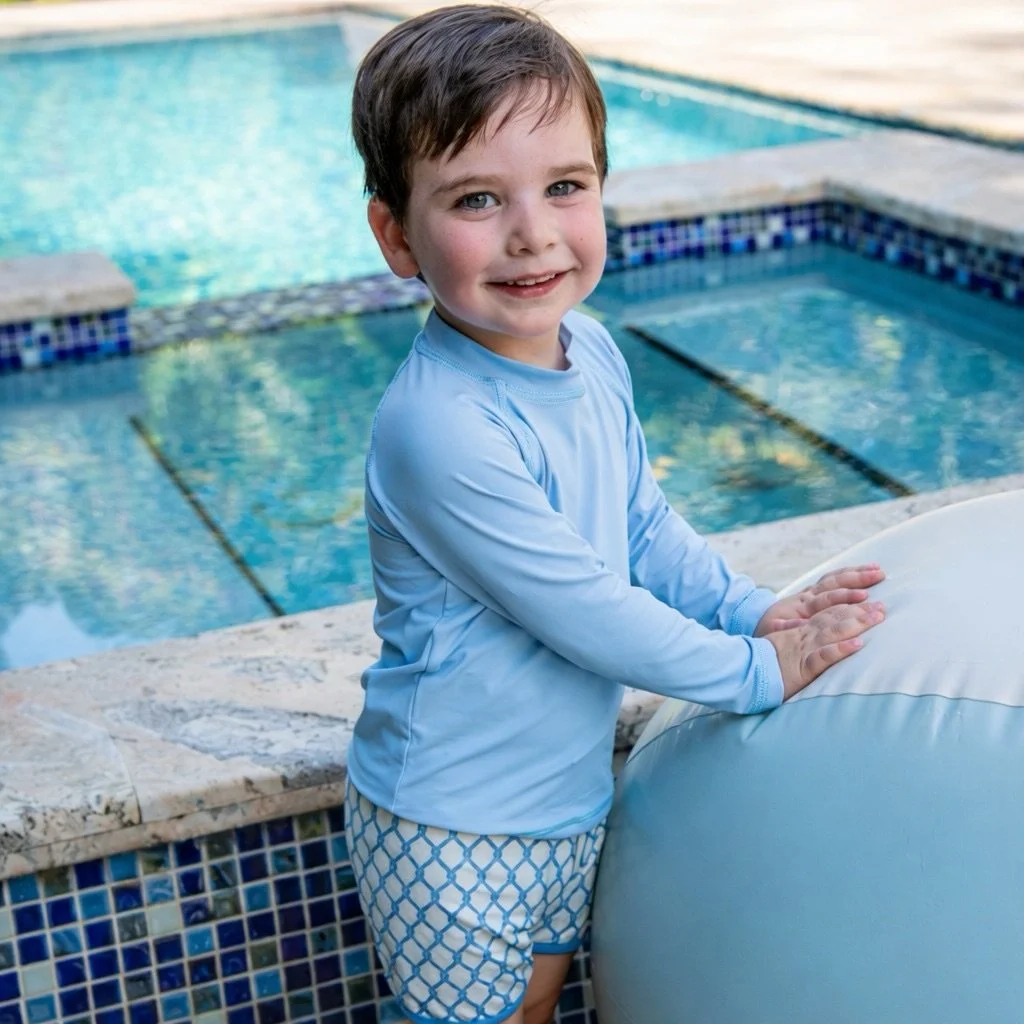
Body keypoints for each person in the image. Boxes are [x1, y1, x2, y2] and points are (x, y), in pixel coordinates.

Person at [343, 6, 886, 1023]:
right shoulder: (440, 427)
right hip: (451, 821)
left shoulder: (588, 350)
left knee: (542, 1005)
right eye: (474, 199)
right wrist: (758, 672)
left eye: (564, 186)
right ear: (396, 237)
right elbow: (588, 609)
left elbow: (641, 527)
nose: (532, 233)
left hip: (561, 799)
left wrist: (752, 610)